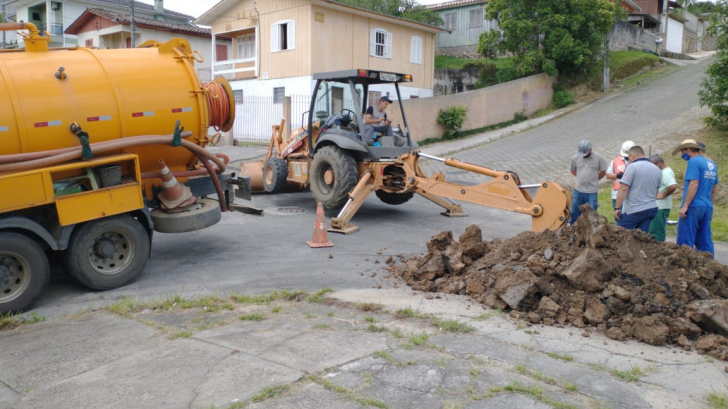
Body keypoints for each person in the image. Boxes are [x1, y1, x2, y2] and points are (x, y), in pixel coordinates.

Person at [673, 139, 719, 257]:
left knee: (685, 240)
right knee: (704, 239)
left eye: (683, 152)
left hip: (693, 206)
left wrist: (685, 206)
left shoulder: (693, 162)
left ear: (689, 149)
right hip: (706, 206)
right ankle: (709, 266)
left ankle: (684, 269)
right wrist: (710, 204)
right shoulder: (712, 164)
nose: (682, 155)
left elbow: (694, 184)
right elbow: (715, 187)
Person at [614, 145, 661, 232]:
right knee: (642, 239)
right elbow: (656, 192)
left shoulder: (632, 167)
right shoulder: (657, 169)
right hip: (650, 209)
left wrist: (617, 208)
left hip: (633, 210)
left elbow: (623, 189)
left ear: (632, 155)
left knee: (621, 236)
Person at [569, 140, 607, 224]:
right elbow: (573, 171)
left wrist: (594, 179)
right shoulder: (576, 158)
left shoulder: (598, 158)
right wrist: (581, 178)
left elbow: (603, 172)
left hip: (591, 191)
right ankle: (573, 229)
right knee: (575, 213)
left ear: (590, 149)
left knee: (591, 214)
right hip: (578, 191)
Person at [647, 154, 678, 241]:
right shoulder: (663, 172)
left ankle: (658, 248)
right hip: (658, 206)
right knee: (653, 229)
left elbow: (673, 186)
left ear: (659, 164)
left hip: (661, 207)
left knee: (656, 231)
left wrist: (663, 195)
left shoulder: (666, 173)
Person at [606, 141, 635, 219]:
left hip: (631, 195)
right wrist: (617, 175)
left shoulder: (636, 162)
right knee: (618, 217)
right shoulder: (615, 161)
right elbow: (608, 175)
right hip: (617, 194)